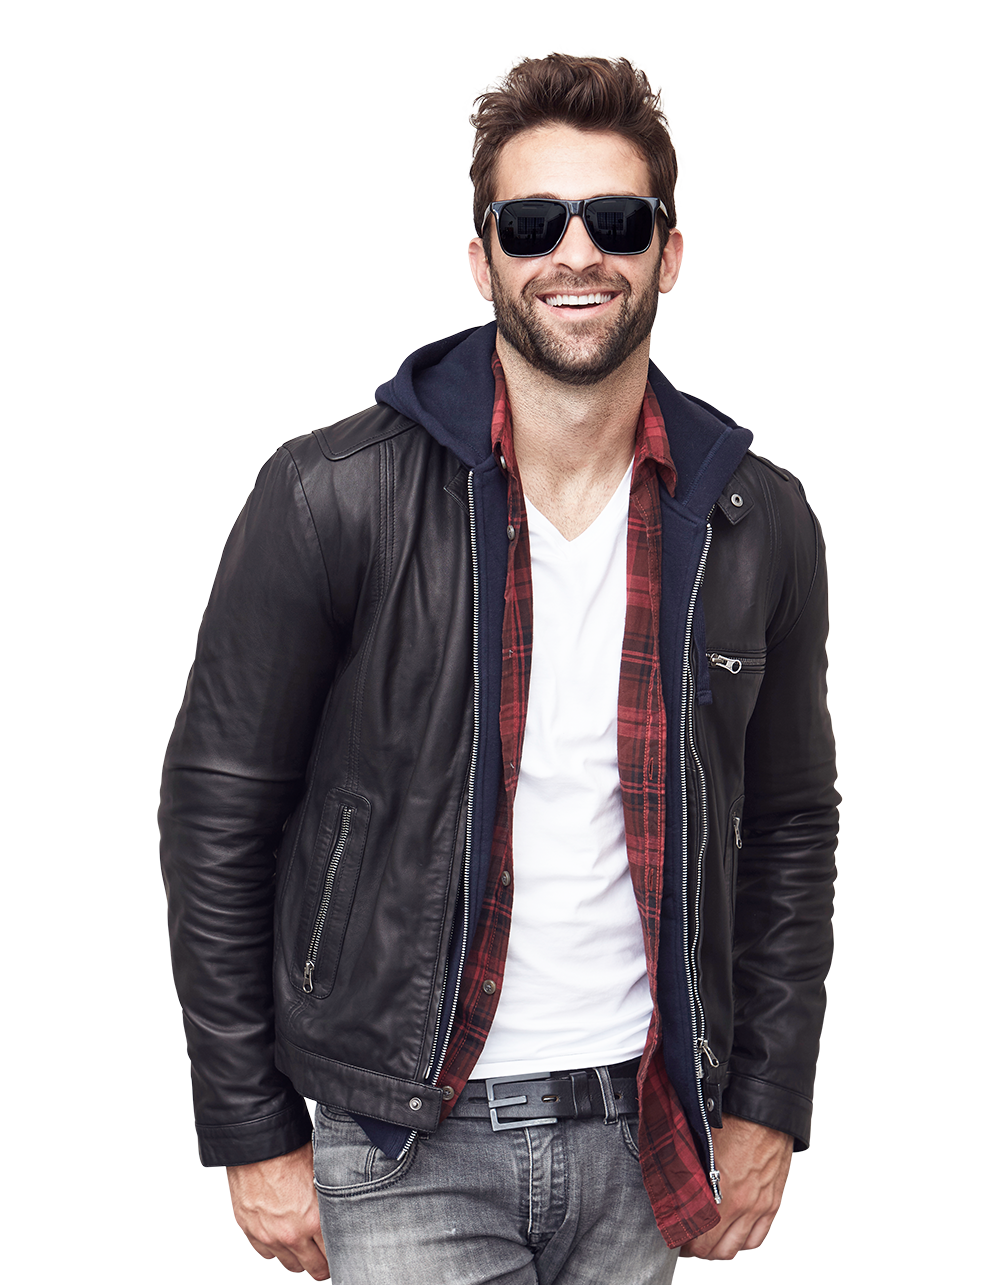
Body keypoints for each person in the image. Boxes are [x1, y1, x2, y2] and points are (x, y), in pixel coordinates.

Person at [159, 52, 839, 1284]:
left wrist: (766, 1098)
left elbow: (788, 822)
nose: (576, 253)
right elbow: (217, 812)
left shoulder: (753, 516)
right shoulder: (331, 496)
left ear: (668, 254)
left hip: (648, 1129)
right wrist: (251, 1126)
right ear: (482, 259)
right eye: (533, 224)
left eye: (615, 220)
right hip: (402, 1137)